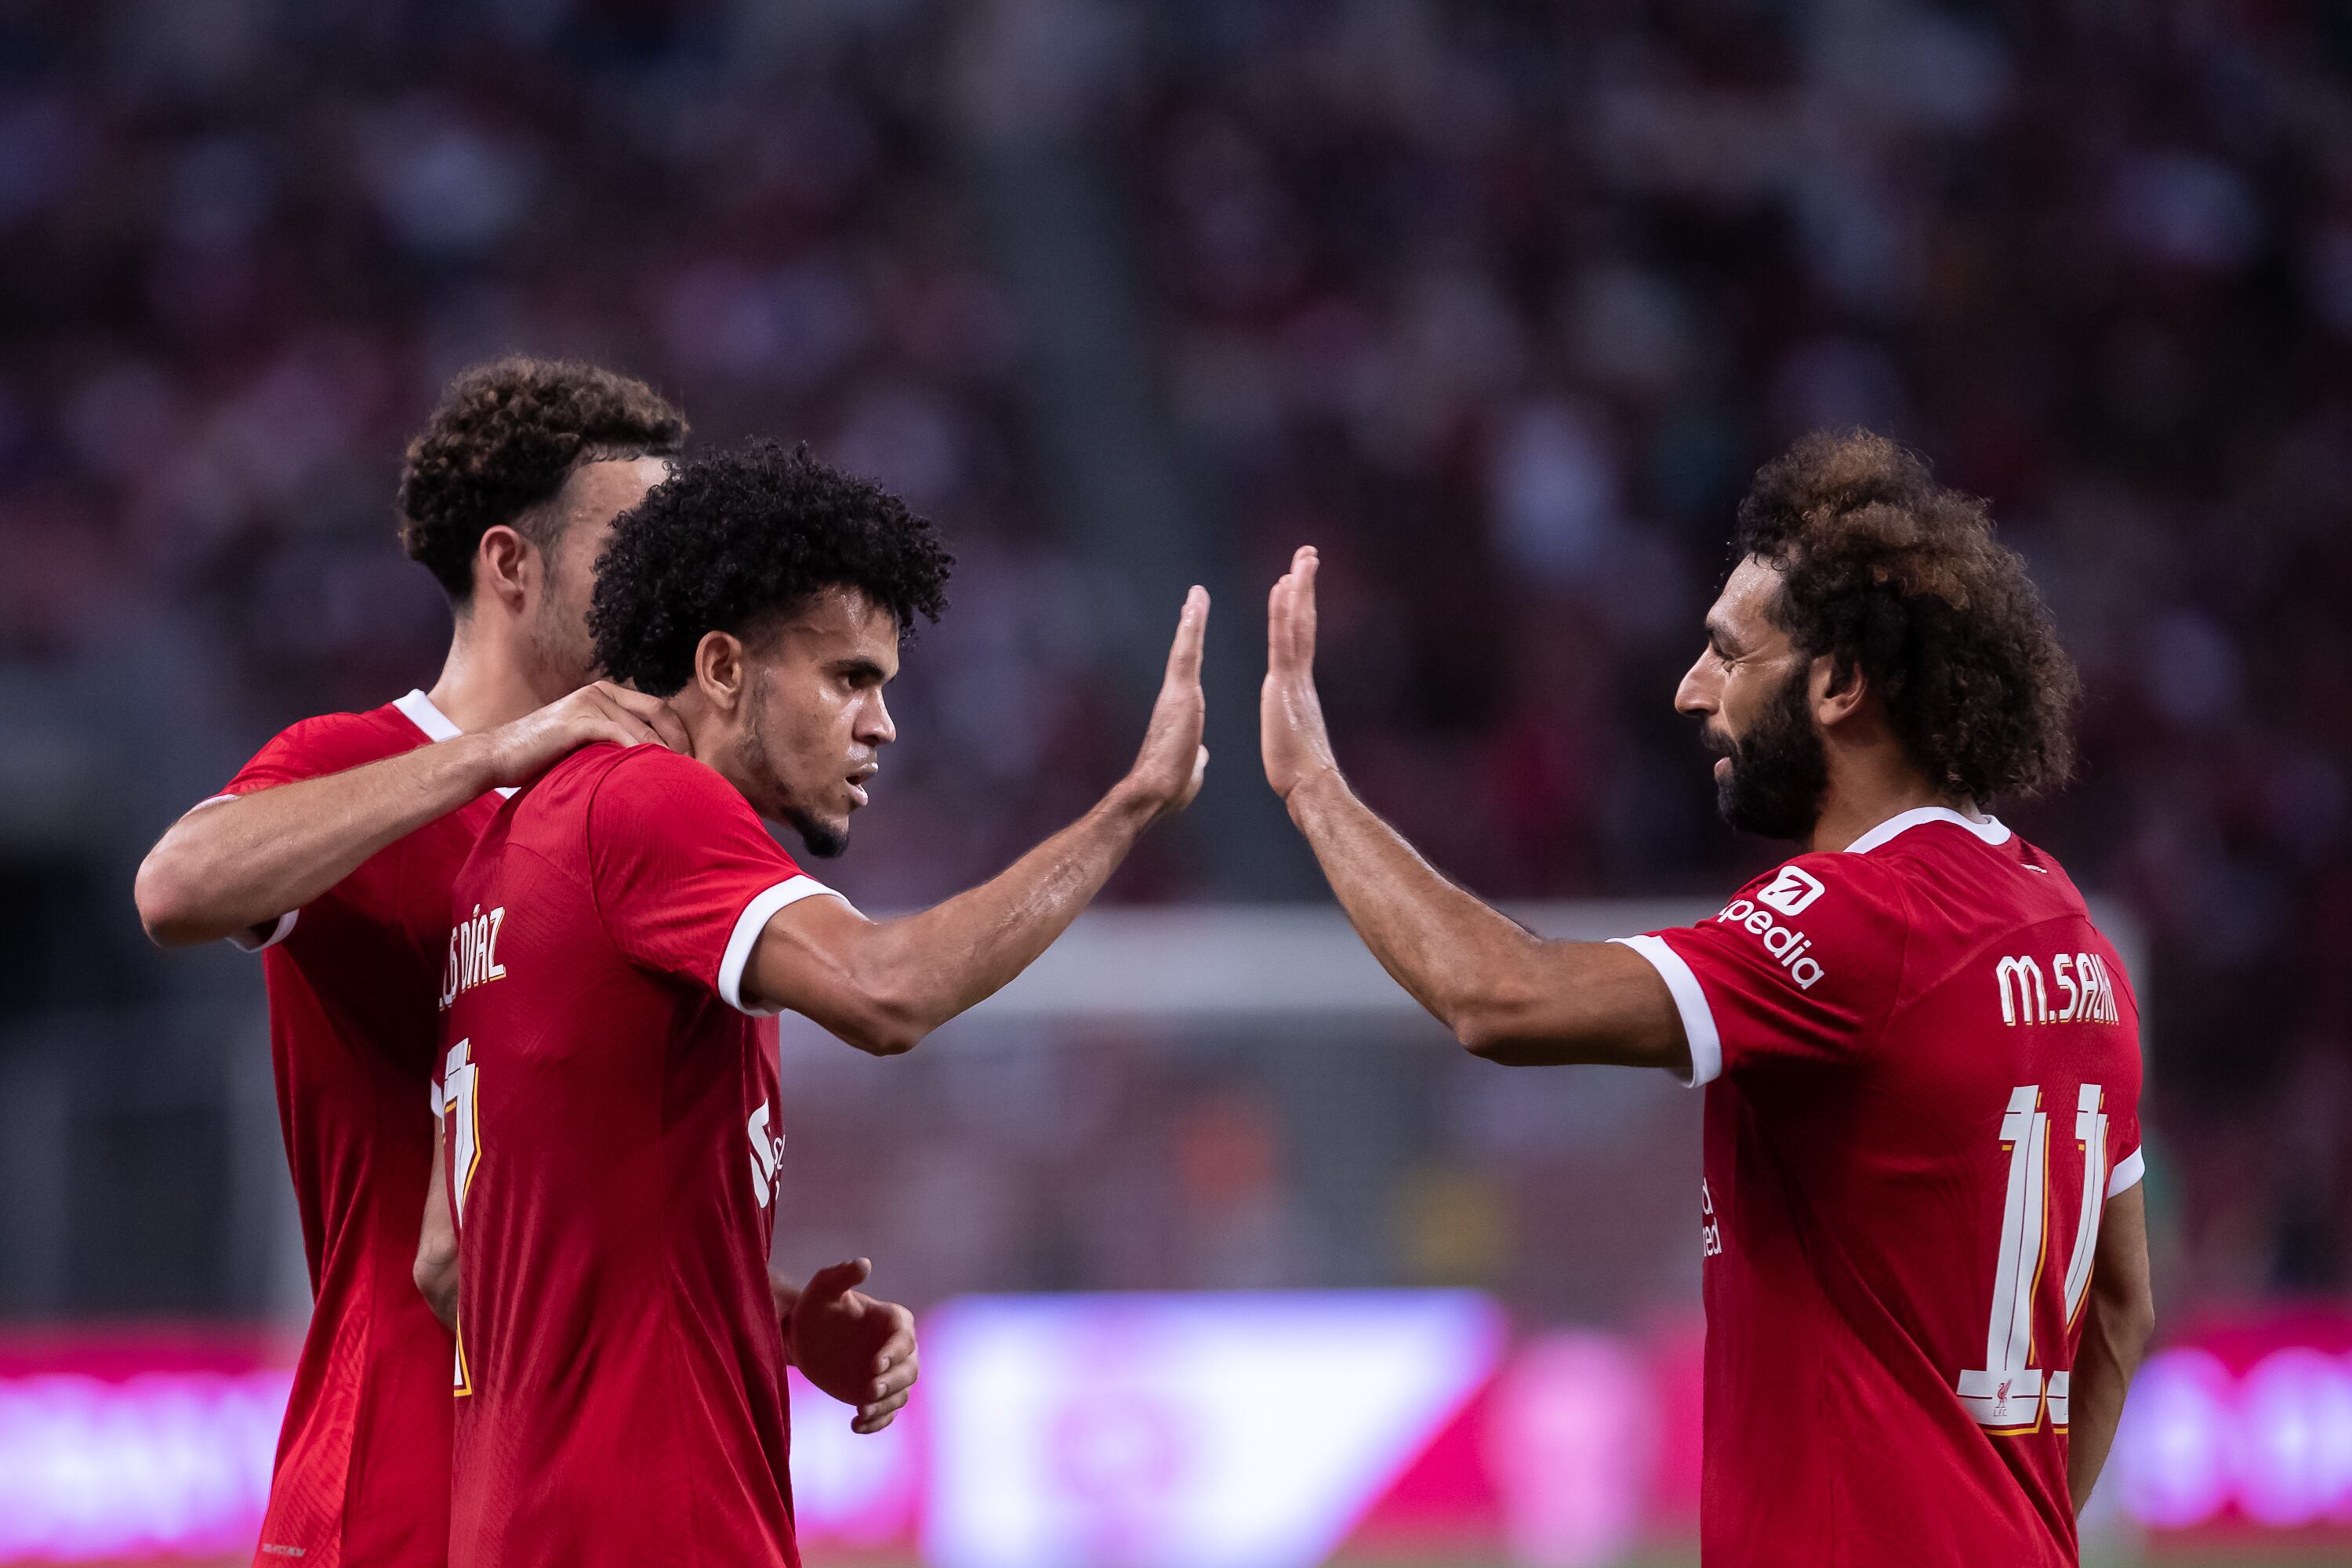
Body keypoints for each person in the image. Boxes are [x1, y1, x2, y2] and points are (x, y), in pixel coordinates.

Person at [1258, 431, 2155, 1566]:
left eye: (1730, 656)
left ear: (1837, 684)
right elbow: (2122, 1316)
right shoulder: (2067, 926)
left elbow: (1498, 998)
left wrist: (1312, 790)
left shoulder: (1860, 920)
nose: (1692, 693)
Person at [132, 360, 914, 1568]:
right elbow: (176, 885)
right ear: (511, 566)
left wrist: (779, 1318)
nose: (675, 576)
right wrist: (493, 755)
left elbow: (558, 1224)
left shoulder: (647, 823)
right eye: (635, 541)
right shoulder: (362, 763)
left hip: (558, 1501)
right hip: (385, 1488)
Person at [435, 439, 1208, 1567]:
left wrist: (775, 1319)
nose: (881, 723)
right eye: (850, 678)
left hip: (518, 1523)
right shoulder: (655, 807)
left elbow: (455, 1260)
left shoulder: (504, 858)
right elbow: (884, 994)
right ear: (723, 668)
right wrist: (1130, 810)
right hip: (658, 1525)